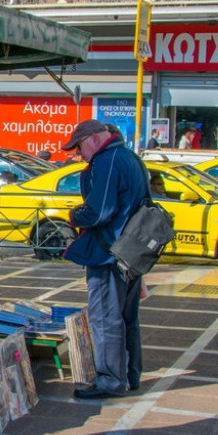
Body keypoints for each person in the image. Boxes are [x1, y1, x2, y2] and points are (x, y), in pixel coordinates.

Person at [61, 120, 147, 399]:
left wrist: (75, 215)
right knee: (126, 316)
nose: (79, 154)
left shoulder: (107, 161)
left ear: (96, 139)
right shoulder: (130, 157)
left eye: (79, 147)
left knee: (104, 317)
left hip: (109, 252)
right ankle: (131, 375)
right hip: (130, 251)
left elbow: (99, 212)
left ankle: (110, 380)